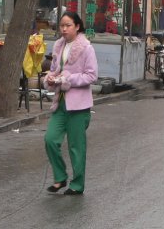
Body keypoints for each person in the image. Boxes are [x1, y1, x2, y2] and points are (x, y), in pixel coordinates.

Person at [44, 12, 98, 196]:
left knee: (76, 147)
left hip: (79, 106)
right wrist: (51, 78)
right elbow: (53, 69)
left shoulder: (86, 48)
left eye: (68, 25)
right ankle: (60, 177)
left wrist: (67, 79)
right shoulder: (58, 46)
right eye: (62, 26)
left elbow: (92, 75)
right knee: (50, 139)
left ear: (77, 26)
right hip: (60, 103)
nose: (64, 29)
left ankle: (77, 184)